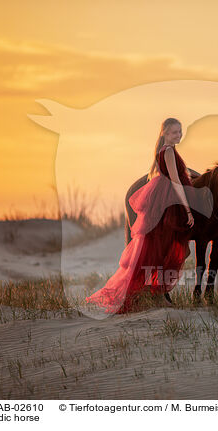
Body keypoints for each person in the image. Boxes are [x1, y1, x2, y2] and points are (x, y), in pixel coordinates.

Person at [85, 118, 196, 314]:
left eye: (180, 132)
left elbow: (179, 173)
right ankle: (156, 294)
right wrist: (187, 208)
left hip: (163, 196)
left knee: (162, 250)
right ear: (164, 133)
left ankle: (155, 293)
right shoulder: (168, 151)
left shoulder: (166, 150)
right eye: (173, 133)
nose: (178, 135)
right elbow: (176, 181)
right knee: (165, 250)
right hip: (168, 200)